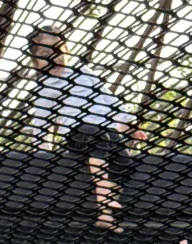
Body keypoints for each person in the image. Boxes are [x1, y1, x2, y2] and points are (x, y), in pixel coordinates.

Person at [27, 28, 145, 229]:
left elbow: (109, 99)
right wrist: (42, 149)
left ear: (66, 51)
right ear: (36, 62)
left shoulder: (83, 72)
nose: (54, 57)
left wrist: (130, 123)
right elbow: (42, 120)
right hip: (77, 132)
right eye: (45, 54)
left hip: (106, 129)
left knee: (124, 164)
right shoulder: (47, 85)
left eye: (58, 50)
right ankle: (104, 198)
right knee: (95, 135)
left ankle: (105, 215)